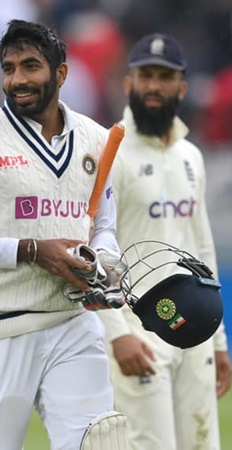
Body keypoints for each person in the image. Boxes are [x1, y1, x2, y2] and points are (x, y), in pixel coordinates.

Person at [0, 19, 127, 450]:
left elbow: (104, 226)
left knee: (99, 442)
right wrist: (32, 251)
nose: (17, 80)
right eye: (9, 68)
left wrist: (103, 259)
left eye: (31, 66)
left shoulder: (95, 139)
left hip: (71, 322)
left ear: (61, 73)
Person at [98, 33, 231, 450]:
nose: (154, 86)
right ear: (128, 83)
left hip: (195, 330)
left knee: (201, 444)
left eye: (164, 77)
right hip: (140, 328)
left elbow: (201, 248)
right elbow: (94, 249)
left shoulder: (190, 155)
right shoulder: (110, 151)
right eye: (146, 76)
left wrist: (219, 340)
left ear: (182, 87)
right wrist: (117, 334)